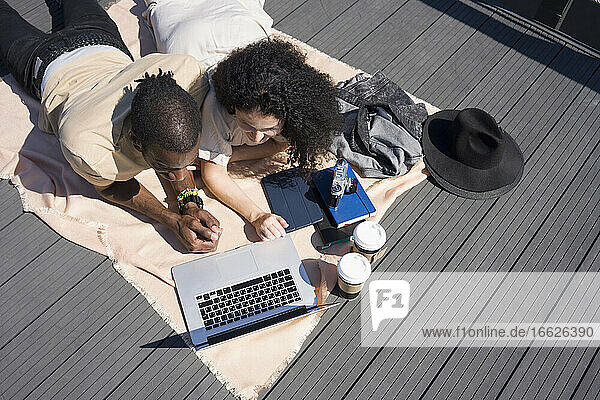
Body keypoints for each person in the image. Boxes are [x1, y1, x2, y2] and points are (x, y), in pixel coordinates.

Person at [0, 0, 222, 252]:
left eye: (187, 164)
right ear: (136, 140)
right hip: (47, 63)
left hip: (99, 38)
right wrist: (170, 220)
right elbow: (112, 186)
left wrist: (190, 203)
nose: (181, 177)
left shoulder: (188, 72)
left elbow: (175, 157)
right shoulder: (88, 149)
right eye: (165, 168)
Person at [144, 1, 342, 241]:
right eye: (247, 125)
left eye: (268, 129)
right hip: (180, 15)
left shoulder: (290, 103)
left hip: (238, 14)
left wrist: (226, 155)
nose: (256, 139)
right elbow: (213, 175)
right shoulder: (216, 105)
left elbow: (280, 144)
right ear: (233, 105)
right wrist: (257, 215)